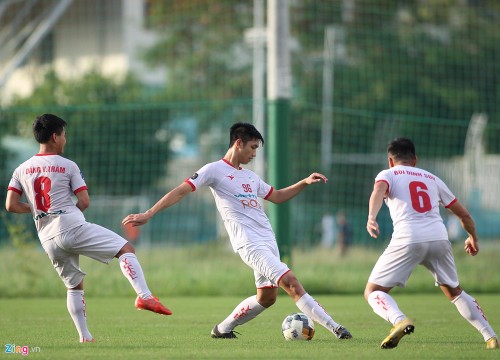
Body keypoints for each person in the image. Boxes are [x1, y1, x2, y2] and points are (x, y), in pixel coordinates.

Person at [122, 122, 352, 340]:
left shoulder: (251, 176)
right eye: (252, 147)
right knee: (291, 282)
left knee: (267, 298)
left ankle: (222, 329)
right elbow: (181, 190)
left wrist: (303, 182)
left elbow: (278, 196)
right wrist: (149, 213)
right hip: (249, 243)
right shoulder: (213, 170)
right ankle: (336, 328)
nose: (254, 154)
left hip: (268, 241)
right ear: (238, 142)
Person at [5, 114, 172, 343]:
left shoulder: (20, 169)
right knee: (125, 249)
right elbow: (84, 202)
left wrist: (39, 209)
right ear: (55, 136)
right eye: (64, 135)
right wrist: (64, 211)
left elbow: (11, 205)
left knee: (73, 286)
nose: (65, 140)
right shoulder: (68, 165)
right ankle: (144, 296)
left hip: (47, 237)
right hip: (71, 226)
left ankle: (85, 337)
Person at [365, 137, 498, 350]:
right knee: (455, 292)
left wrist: (371, 217)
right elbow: (463, 213)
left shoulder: (387, 174)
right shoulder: (432, 178)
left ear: (390, 160)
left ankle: (399, 320)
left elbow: (378, 191)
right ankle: (490, 336)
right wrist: (473, 238)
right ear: (415, 160)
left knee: (373, 292)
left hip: (408, 238)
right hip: (439, 238)